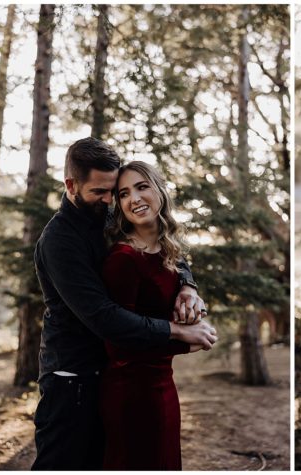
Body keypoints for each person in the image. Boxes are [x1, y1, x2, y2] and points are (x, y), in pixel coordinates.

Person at [31, 138, 218, 470]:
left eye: (112, 191)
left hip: (109, 374)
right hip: (72, 379)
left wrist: (188, 285)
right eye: (100, 192)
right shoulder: (59, 241)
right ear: (71, 185)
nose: (109, 201)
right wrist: (177, 332)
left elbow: (156, 244)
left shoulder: (106, 218)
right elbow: (104, 317)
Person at [99, 161, 204, 469]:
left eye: (142, 187)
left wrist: (192, 296)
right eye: (123, 193)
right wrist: (185, 342)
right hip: (131, 394)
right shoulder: (123, 259)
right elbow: (117, 345)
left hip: (163, 386)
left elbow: (167, 298)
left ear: (160, 190)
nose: (134, 198)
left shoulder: (167, 250)